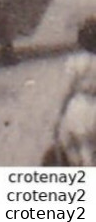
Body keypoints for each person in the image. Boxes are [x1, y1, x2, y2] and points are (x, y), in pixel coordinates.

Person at [49, 18, 96, 166]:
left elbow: (66, 91)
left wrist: (58, 116)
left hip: (79, 107)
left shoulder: (75, 62)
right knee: (91, 149)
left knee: (75, 147)